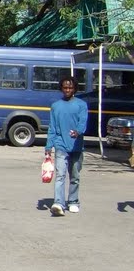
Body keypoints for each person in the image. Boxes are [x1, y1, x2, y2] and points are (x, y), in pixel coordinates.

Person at [46, 74, 88, 216]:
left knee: (75, 176)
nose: (68, 89)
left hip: (76, 146)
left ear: (75, 88)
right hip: (60, 145)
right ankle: (58, 203)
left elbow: (83, 123)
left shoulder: (81, 105)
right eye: (65, 87)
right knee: (60, 175)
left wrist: (78, 131)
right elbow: (52, 127)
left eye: (70, 87)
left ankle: (73, 201)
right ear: (61, 88)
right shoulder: (55, 106)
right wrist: (48, 147)